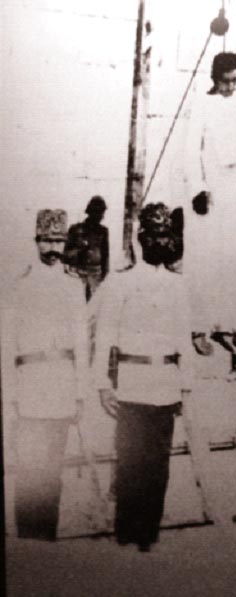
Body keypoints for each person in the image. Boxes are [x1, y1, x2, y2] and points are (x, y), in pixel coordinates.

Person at [93, 203, 194, 552]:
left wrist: (186, 384)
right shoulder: (120, 282)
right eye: (153, 235)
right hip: (132, 382)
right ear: (141, 238)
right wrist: (103, 385)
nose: (160, 242)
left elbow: (184, 337)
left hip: (164, 382)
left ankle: (148, 534)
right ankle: (127, 532)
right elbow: (104, 335)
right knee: (131, 460)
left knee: (158, 463)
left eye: (166, 235)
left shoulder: (178, 285)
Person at [1, 209, 88, 540]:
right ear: (36, 241)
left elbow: (81, 342)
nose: (53, 247)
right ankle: (27, 541)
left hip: (62, 388)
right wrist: (9, 398)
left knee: (53, 471)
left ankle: (47, 539)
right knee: (29, 470)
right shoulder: (18, 285)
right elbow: (6, 344)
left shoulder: (73, 284)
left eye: (59, 241)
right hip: (31, 388)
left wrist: (80, 394)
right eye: (47, 240)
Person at [185, 51, 236, 358]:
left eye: (235, 81)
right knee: (205, 260)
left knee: (232, 261)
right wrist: (199, 188)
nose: (231, 88)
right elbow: (191, 149)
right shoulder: (202, 104)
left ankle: (228, 327)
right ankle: (200, 326)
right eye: (226, 82)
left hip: (234, 191)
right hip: (211, 193)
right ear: (215, 78)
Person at [64, 195, 109, 301]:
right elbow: (65, 255)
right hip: (78, 275)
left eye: (102, 212)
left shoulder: (103, 231)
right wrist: (80, 250)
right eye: (97, 212)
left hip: (96, 278)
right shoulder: (76, 229)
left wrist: (104, 279)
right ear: (90, 212)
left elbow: (105, 257)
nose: (100, 216)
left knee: (95, 306)